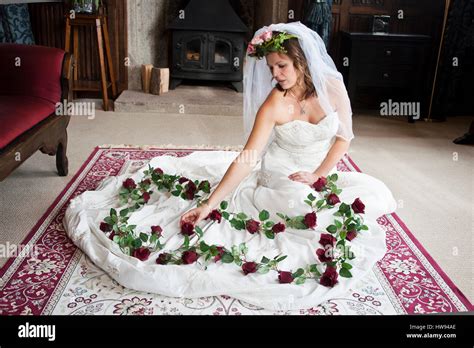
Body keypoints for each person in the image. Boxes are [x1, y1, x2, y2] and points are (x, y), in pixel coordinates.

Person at [64, 22, 397, 310]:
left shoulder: (332, 87)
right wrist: (210, 204)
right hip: (280, 174)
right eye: (270, 69)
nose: (275, 75)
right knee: (303, 210)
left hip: (317, 170)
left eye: (281, 66)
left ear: (302, 62)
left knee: (370, 195)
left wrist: (318, 175)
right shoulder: (274, 103)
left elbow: (343, 139)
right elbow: (248, 158)